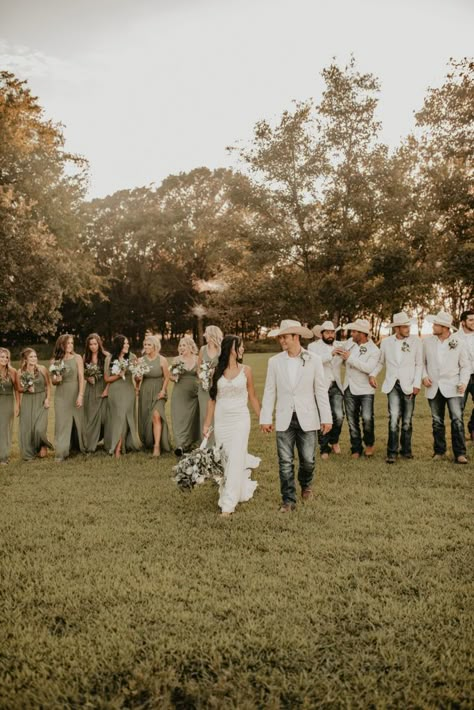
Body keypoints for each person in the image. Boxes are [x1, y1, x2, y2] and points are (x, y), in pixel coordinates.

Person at [260, 320, 332, 513]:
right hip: (284, 418)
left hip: (308, 417)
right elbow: (269, 391)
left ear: (296, 337)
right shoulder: (274, 362)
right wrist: (266, 417)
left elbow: (321, 390)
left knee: (308, 460)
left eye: (285, 337)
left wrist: (327, 417)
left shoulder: (314, 359)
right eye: (280, 337)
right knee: (285, 462)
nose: (281, 340)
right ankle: (288, 500)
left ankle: (306, 485)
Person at [203, 335, 261, 516]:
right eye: (240, 346)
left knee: (236, 457)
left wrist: (263, 418)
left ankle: (228, 505)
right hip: (222, 421)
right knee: (225, 458)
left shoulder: (247, 370)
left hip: (240, 420)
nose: (243, 349)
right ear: (231, 349)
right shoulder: (216, 372)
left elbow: (252, 396)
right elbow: (212, 401)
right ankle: (230, 488)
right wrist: (206, 425)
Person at [369, 312, 422, 464]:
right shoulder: (386, 343)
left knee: (407, 421)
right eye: (405, 326)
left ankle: (406, 451)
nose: (408, 329)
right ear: (397, 328)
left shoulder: (416, 342)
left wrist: (417, 384)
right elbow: (380, 362)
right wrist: (373, 375)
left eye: (408, 326)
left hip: (409, 385)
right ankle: (391, 452)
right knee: (393, 418)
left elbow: (419, 364)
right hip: (392, 384)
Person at [422, 310, 470, 464]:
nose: (433, 327)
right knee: (437, 421)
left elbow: (465, 366)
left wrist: (463, 382)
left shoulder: (459, 343)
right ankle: (439, 451)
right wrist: (424, 376)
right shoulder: (427, 342)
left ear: (444, 327)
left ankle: (460, 454)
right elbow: (421, 363)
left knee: (457, 419)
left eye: (435, 324)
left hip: (453, 387)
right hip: (433, 387)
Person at [335, 319, 379, 459]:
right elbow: (343, 360)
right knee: (352, 420)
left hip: (366, 389)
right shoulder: (349, 343)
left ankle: (369, 444)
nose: (351, 333)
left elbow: (368, 368)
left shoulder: (374, 350)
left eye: (354, 331)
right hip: (349, 387)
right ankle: (356, 448)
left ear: (363, 334)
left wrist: (350, 358)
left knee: (367, 418)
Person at [308, 321, 344, 459]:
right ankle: (324, 448)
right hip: (320, 386)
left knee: (339, 416)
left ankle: (334, 440)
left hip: (336, 385)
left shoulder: (339, 345)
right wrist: (331, 353)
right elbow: (313, 362)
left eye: (332, 332)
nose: (330, 335)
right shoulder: (313, 346)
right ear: (321, 333)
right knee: (322, 416)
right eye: (327, 332)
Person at [104, 335, 141, 458]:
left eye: (128, 343)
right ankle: (118, 446)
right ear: (118, 345)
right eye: (124, 344)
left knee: (123, 418)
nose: (127, 345)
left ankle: (118, 448)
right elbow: (107, 378)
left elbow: (136, 376)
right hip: (115, 392)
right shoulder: (109, 358)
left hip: (128, 391)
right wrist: (120, 375)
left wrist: (138, 378)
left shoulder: (133, 357)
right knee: (118, 418)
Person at [50, 334, 86, 462]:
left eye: (72, 343)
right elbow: (53, 381)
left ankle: (78, 446)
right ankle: (61, 451)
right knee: (62, 422)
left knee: (78, 421)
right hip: (61, 395)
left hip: (75, 391)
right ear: (61, 345)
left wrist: (80, 395)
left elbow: (81, 378)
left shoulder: (77, 358)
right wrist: (57, 379)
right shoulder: (55, 360)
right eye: (67, 343)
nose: (70, 345)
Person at [137, 334, 171, 456]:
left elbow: (167, 377)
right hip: (145, 390)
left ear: (155, 346)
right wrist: (137, 379)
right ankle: (148, 441)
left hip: (158, 391)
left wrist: (163, 391)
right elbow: (137, 379)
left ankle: (156, 446)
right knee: (147, 417)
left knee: (156, 416)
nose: (146, 346)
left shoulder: (162, 360)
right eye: (145, 344)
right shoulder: (140, 360)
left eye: (148, 344)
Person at [17, 348, 53, 461]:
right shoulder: (20, 372)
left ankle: (43, 444)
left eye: (35, 356)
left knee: (39, 429)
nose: (34, 359)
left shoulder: (42, 369)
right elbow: (19, 389)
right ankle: (30, 452)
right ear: (26, 359)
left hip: (41, 401)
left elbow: (48, 386)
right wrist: (27, 388)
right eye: (31, 357)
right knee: (28, 429)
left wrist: (47, 399)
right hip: (28, 401)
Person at [170, 336, 200, 456]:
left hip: (195, 392)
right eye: (180, 345)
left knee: (193, 418)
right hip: (180, 392)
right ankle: (180, 445)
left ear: (190, 346)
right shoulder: (176, 360)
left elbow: (200, 375)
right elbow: (170, 376)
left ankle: (191, 443)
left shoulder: (198, 359)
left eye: (184, 345)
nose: (181, 348)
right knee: (180, 417)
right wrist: (175, 377)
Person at [197, 325, 223, 447]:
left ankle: (218, 443)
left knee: (217, 414)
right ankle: (206, 444)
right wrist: (203, 376)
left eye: (206, 333)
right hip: (204, 387)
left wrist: (215, 373)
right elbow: (198, 369)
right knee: (204, 414)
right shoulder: (202, 349)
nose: (204, 335)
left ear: (212, 334)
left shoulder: (222, 350)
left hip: (219, 387)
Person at [83, 333, 109, 453]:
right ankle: (90, 445)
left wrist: (107, 389)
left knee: (104, 417)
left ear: (99, 343)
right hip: (90, 389)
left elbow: (111, 374)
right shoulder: (85, 357)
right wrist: (88, 378)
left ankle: (106, 440)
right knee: (91, 417)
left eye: (95, 344)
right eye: (91, 344)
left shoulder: (106, 356)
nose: (93, 346)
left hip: (103, 387)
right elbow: (82, 373)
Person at [0, 348, 20, 465]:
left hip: (7, 401)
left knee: (4, 429)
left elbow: (17, 390)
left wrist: (17, 405)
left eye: (6, 357)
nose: (4, 359)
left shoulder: (13, 371)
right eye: (2, 357)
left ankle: (3, 456)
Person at [457, 309, 474, 442]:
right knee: (459, 408)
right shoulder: (455, 338)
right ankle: (459, 437)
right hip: (461, 377)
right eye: (471, 320)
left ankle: (473, 427)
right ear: (463, 322)